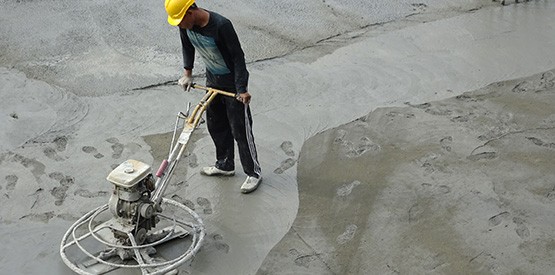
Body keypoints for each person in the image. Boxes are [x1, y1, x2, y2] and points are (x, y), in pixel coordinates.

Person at [164, 0, 262, 193]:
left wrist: (241, 88)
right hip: (213, 80)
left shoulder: (221, 25)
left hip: (232, 84)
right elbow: (187, 47)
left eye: (180, 20)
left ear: (190, 12)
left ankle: (253, 173)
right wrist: (187, 74)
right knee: (216, 125)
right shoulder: (185, 26)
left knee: (240, 130)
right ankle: (225, 165)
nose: (179, 25)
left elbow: (237, 57)